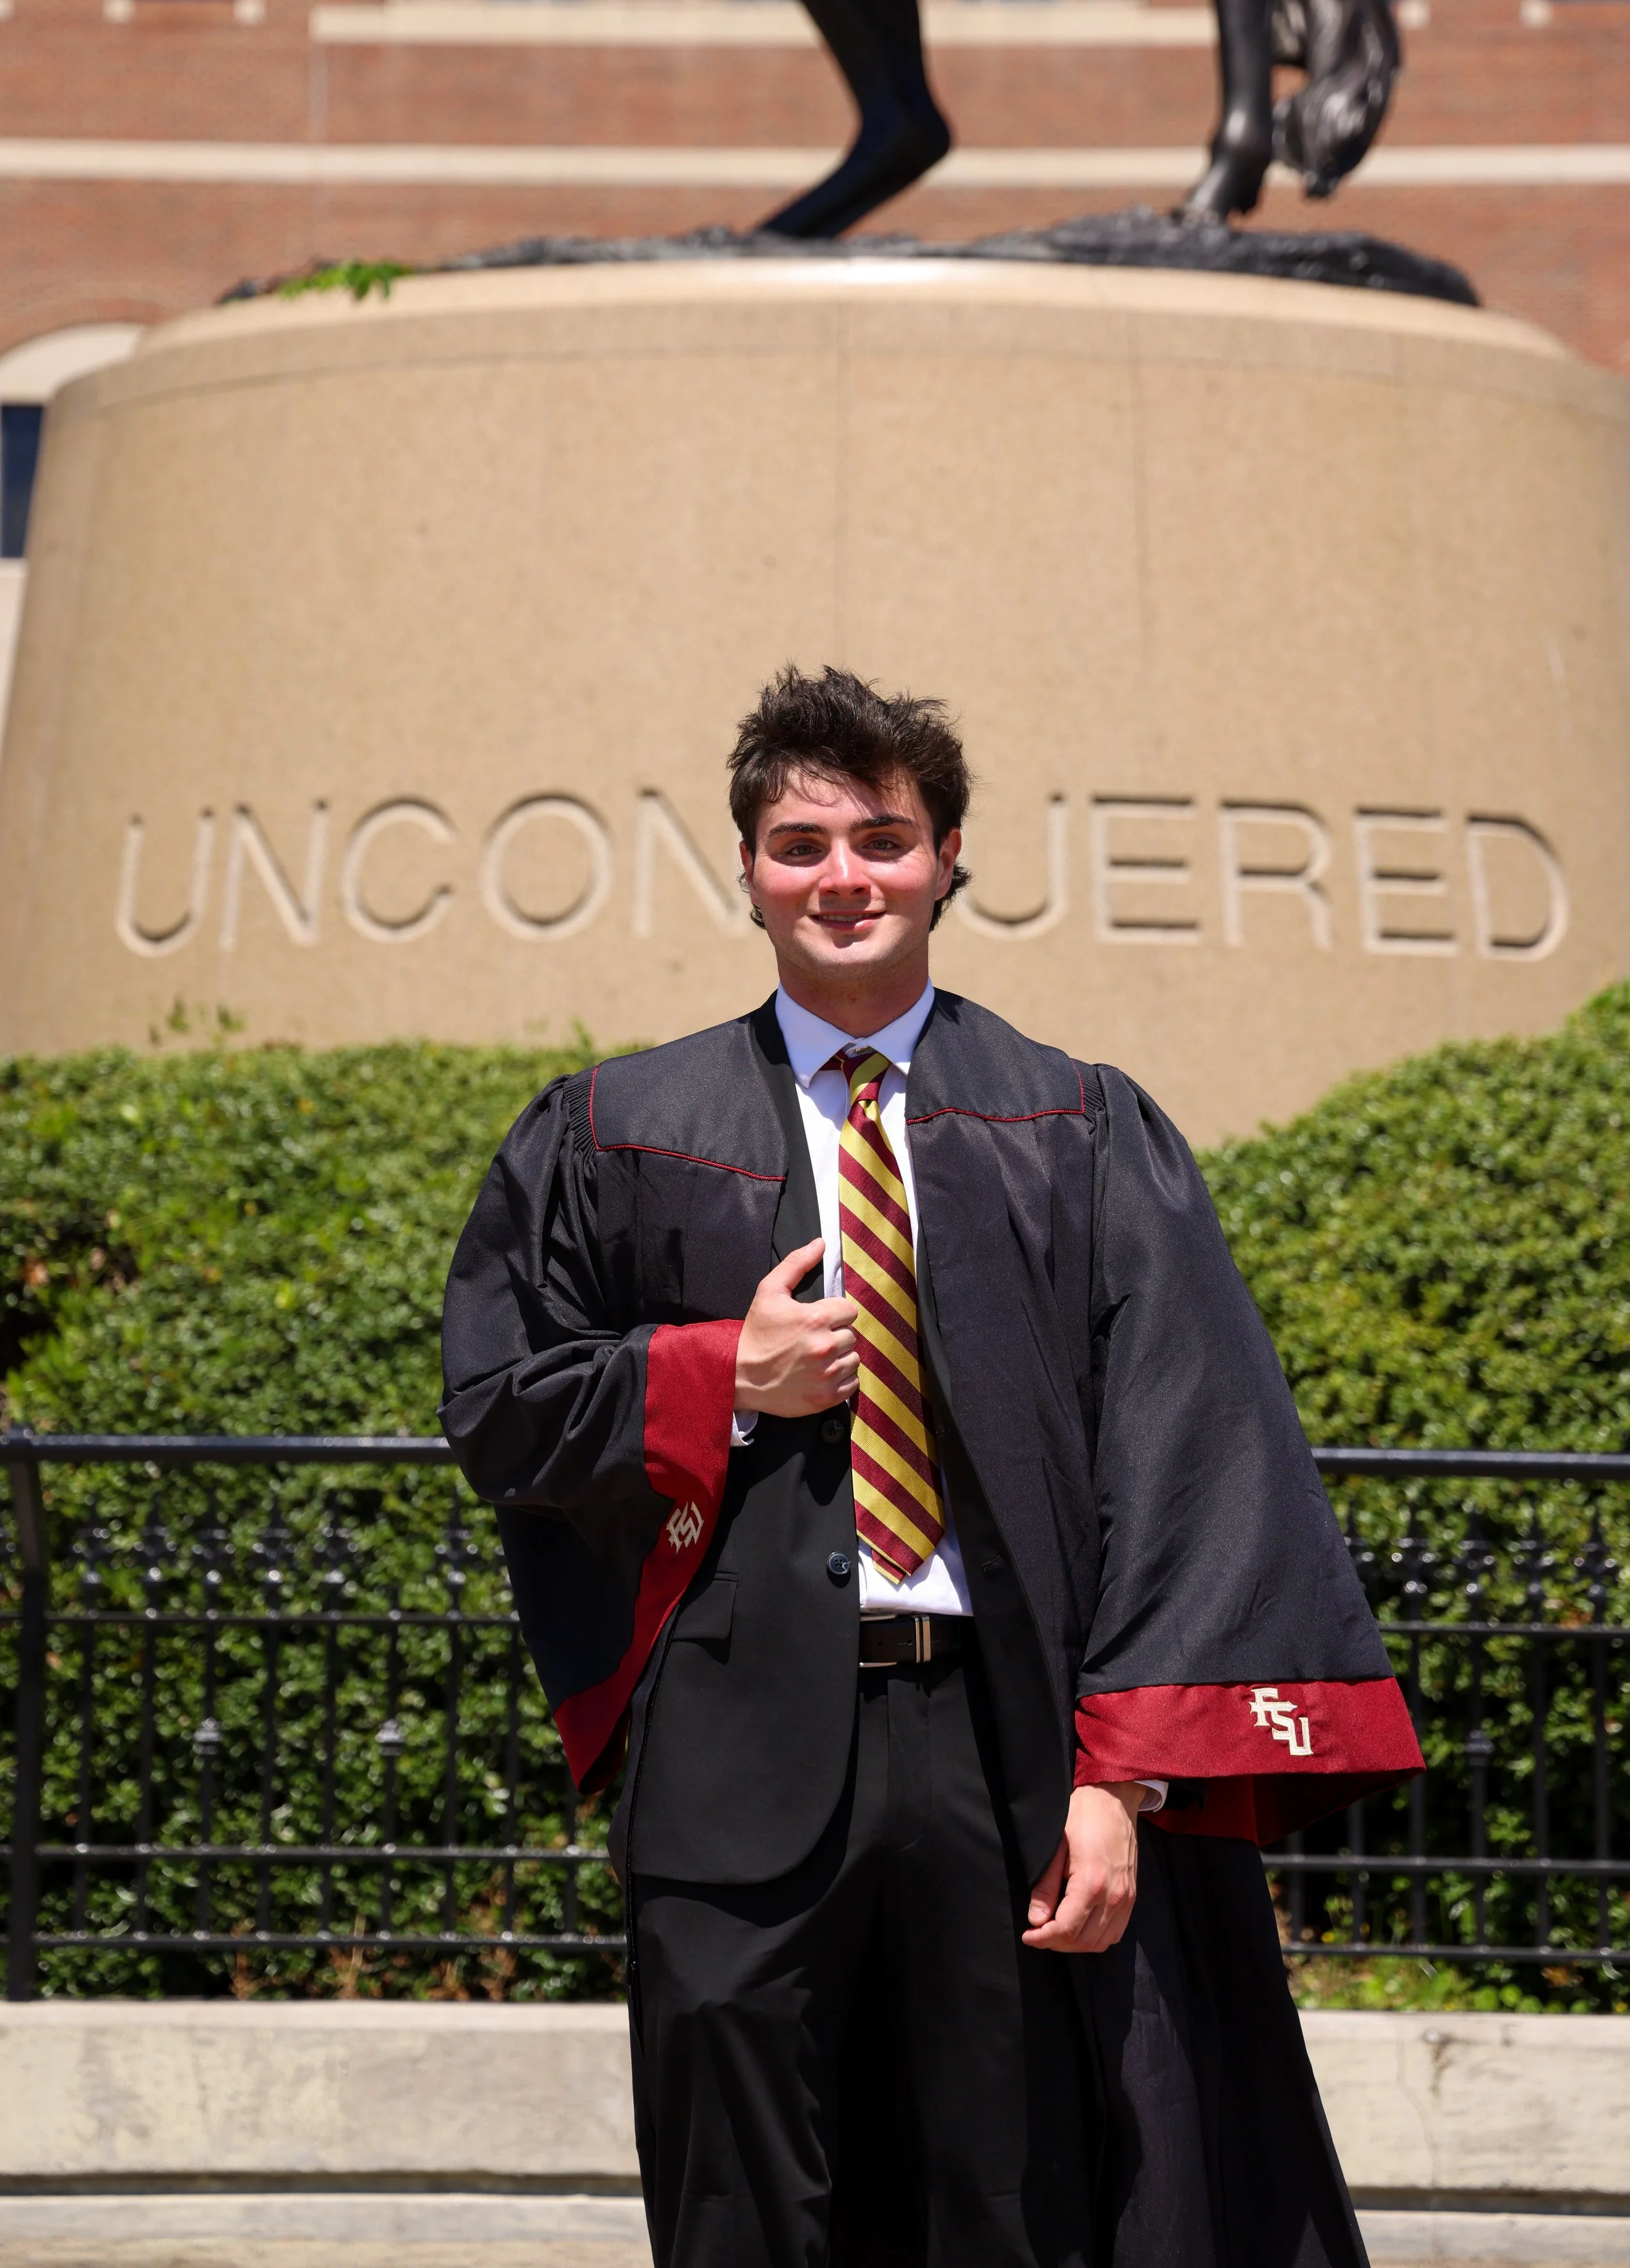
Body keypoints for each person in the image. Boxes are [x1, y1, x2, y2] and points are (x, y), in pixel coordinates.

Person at [440, 664, 1423, 2268]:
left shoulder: (1075, 1127)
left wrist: (1118, 1777)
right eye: (799, 843)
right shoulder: (616, 1127)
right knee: (736, 2201)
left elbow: (1179, 1461)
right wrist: (716, 1374)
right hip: (732, 1754)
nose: (842, 877)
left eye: (881, 839)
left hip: (1004, 1748)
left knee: (1011, 2195)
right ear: (746, 870)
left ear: (948, 856)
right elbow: (499, 1403)